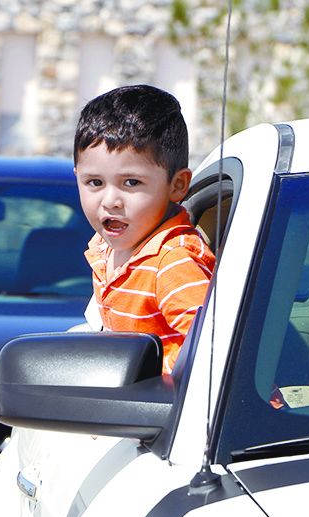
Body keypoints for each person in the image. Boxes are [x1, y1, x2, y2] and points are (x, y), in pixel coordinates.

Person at [74, 84, 216, 375]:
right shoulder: (104, 247)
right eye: (94, 183)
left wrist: (143, 373)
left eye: (131, 183)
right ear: (77, 177)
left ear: (177, 185)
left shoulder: (172, 262)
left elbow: (213, 350)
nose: (110, 201)